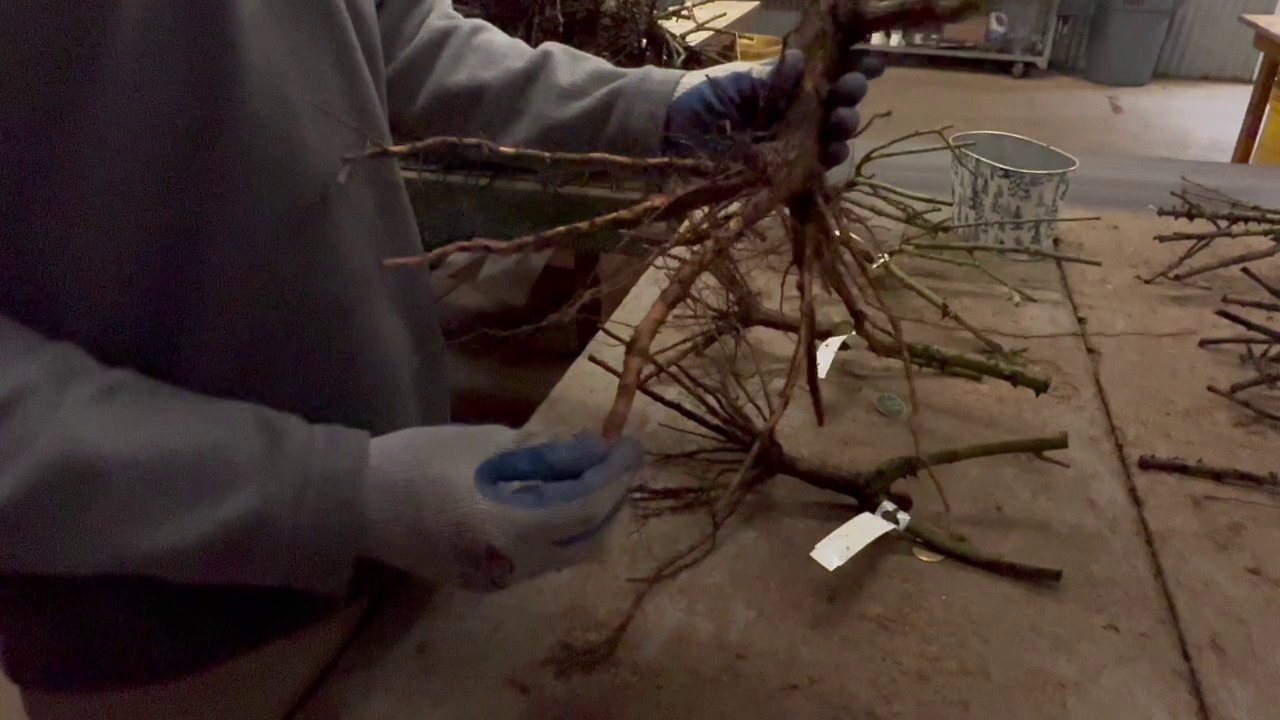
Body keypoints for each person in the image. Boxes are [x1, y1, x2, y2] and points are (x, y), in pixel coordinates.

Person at [0, 0, 876, 711]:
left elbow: (388, 30)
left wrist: (651, 110)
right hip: (163, 625)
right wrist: (332, 491)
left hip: (401, 530)